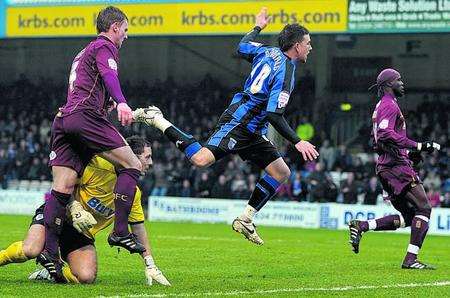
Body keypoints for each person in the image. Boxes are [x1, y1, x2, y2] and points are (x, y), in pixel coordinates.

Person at [133, 7, 318, 245]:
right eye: (308, 43)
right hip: (240, 122)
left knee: (281, 172)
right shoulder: (287, 70)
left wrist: (257, 27)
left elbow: (242, 47)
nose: (310, 47)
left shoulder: (268, 51)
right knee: (200, 160)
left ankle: (246, 219)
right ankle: (156, 119)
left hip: (252, 130)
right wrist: (297, 140)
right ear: (296, 46)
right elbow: (274, 113)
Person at [42, 6, 145, 281]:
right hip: (84, 118)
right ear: (114, 28)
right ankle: (120, 231)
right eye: (125, 30)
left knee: (61, 188)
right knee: (132, 165)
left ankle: (50, 251)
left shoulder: (82, 52)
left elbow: (85, 86)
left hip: (64, 119)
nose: (125, 36)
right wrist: (121, 102)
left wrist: (105, 101)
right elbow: (110, 75)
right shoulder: (105, 46)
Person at [0, 136, 170, 286]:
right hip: (59, 213)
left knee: (85, 277)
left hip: (81, 233)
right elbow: (64, 184)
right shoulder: (98, 165)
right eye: (147, 157)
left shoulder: (133, 193)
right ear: (131, 156)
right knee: (30, 250)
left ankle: (50, 271)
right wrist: (75, 207)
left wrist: (150, 264)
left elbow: (138, 229)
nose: (150, 163)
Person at [348, 68, 441, 269]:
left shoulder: (383, 105)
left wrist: (410, 155)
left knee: (410, 216)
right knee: (424, 208)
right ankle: (410, 260)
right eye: (399, 80)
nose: (402, 83)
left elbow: (378, 140)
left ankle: (362, 226)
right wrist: (418, 146)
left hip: (387, 166)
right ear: (389, 83)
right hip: (394, 167)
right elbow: (384, 135)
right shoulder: (389, 105)